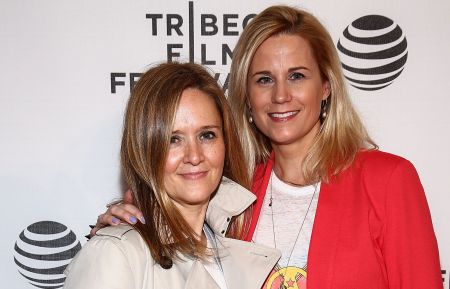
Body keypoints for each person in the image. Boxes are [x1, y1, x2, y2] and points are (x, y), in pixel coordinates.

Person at [91, 6, 443, 289]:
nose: (280, 96)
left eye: (297, 75)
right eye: (264, 80)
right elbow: (165, 223)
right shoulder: (232, 191)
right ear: (246, 95)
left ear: (326, 86)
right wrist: (116, 227)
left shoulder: (387, 181)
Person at [63, 62, 280, 289]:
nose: (194, 156)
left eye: (207, 135)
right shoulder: (116, 253)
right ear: (144, 150)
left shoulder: (231, 243)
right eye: (173, 139)